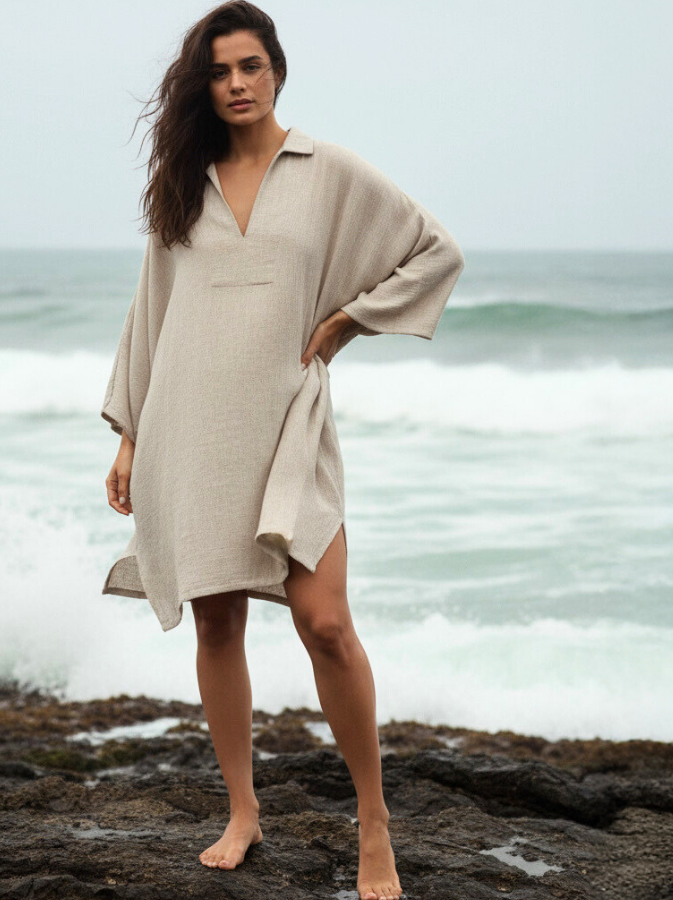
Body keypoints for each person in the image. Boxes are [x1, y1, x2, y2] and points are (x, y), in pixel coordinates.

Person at [99, 3, 463, 898]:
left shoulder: (327, 170)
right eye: (220, 71)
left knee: (324, 623)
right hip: (189, 424)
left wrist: (347, 321)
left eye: (251, 66)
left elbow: (434, 251)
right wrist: (130, 433)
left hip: (287, 423)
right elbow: (152, 312)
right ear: (205, 83)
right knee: (218, 619)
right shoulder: (184, 183)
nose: (236, 84)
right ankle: (242, 812)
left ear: (277, 71)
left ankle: (374, 825)